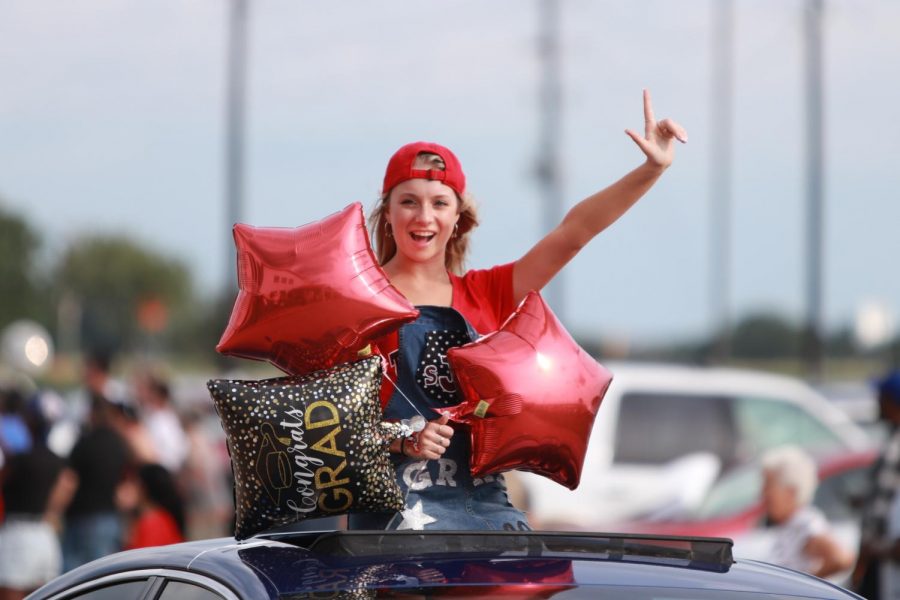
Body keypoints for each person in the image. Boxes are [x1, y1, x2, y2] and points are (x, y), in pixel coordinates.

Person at [349, 89, 687, 531]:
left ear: (457, 220)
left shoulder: (488, 292)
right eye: (408, 201)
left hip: (481, 507)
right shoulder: (354, 303)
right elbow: (325, 428)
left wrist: (651, 169)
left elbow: (574, 233)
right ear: (388, 212)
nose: (423, 216)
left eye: (439, 203)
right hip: (388, 511)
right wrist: (403, 440)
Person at [0, 392, 76, 600]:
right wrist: (52, 511)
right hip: (46, 536)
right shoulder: (58, 460)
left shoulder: (18, 460)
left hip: (18, 535)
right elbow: (69, 484)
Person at [760, 446, 855, 579]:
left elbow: (841, 559)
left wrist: (802, 586)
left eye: (768, 485)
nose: (763, 493)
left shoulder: (805, 523)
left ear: (791, 491)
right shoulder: (789, 524)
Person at [853, 369, 900, 598]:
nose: (877, 403)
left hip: (885, 562)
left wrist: (870, 551)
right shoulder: (892, 440)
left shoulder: (895, 447)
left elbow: (881, 509)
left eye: (881, 397)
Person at [122, 463, 185, 550]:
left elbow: (144, 559)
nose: (126, 488)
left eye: (133, 482)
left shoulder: (152, 522)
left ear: (143, 489)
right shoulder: (158, 518)